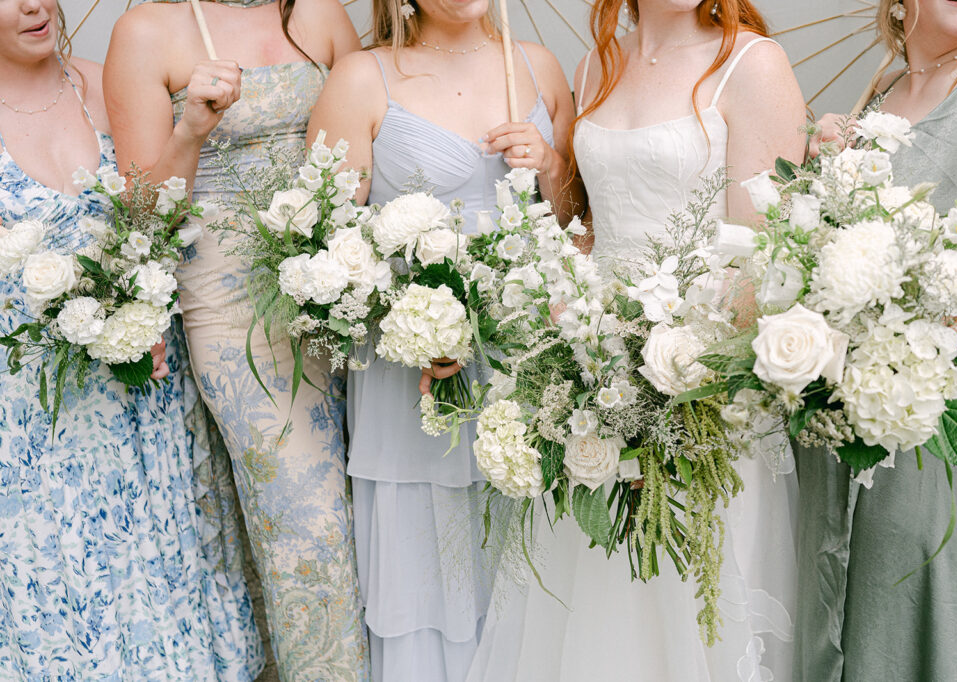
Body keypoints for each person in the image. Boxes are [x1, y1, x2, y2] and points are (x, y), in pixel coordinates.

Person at [467, 1, 806, 680]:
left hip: (703, 388)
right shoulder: (597, 66)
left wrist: (673, 382)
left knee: (692, 597)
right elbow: (592, 224)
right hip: (596, 377)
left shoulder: (751, 62)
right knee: (598, 598)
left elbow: (761, 253)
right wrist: (581, 335)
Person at [306, 0, 579, 678]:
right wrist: (419, 323)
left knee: (526, 547)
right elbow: (326, 249)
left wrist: (548, 164)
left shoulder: (538, 67)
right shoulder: (361, 80)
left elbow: (576, 220)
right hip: (416, 370)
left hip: (526, 354)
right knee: (433, 559)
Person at [103, 1, 370, 678]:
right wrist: (190, 129)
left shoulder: (320, 15)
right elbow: (139, 216)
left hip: (337, 292)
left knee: (367, 516)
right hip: (231, 311)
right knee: (309, 526)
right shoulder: (146, 32)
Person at [0, 1, 262, 678]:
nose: (31, 5)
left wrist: (191, 131)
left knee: (163, 578)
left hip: (146, 398)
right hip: (33, 419)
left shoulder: (101, 83)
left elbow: (152, 217)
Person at [798, 1, 957, 679]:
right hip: (861, 415)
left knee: (931, 614)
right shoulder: (882, 91)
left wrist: (937, 360)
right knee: (857, 623)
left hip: (952, 409)